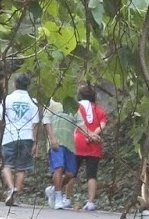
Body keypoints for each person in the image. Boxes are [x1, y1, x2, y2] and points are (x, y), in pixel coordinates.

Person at [0, 72, 43, 206]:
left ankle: (11, 187)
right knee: (22, 168)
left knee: (6, 165)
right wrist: (35, 143)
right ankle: (16, 192)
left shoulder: (7, 99)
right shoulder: (33, 102)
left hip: (10, 136)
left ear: (14, 84)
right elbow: (35, 124)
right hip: (27, 137)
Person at [73, 83, 107, 212]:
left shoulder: (76, 108)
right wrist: (93, 135)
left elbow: (76, 124)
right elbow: (102, 125)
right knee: (92, 174)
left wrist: (88, 135)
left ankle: (66, 198)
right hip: (94, 144)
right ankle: (91, 201)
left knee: (72, 172)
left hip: (77, 142)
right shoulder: (99, 110)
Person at [44, 98, 77, 210]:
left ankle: (53, 190)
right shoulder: (52, 103)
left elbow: (81, 124)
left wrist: (91, 134)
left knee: (71, 173)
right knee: (59, 168)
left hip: (69, 143)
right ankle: (58, 197)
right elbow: (46, 121)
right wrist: (52, 138)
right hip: (56, 142)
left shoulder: (73, 104)